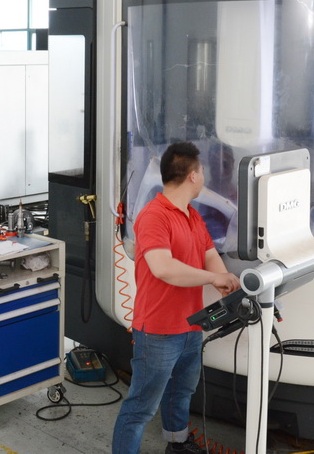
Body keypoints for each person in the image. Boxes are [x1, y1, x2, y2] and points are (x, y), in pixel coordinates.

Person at [112, 141, 241, 454]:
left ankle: (178, 444)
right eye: (203, 171)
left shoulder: (192, 216)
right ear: (193, 176)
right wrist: (213, 278)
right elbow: (164, 268)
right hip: (158, 331)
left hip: (191, 326)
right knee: (141, 406)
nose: (205, 177)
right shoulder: (153, 216)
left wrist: (227, 282)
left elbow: (209, 254)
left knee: (181, 393)